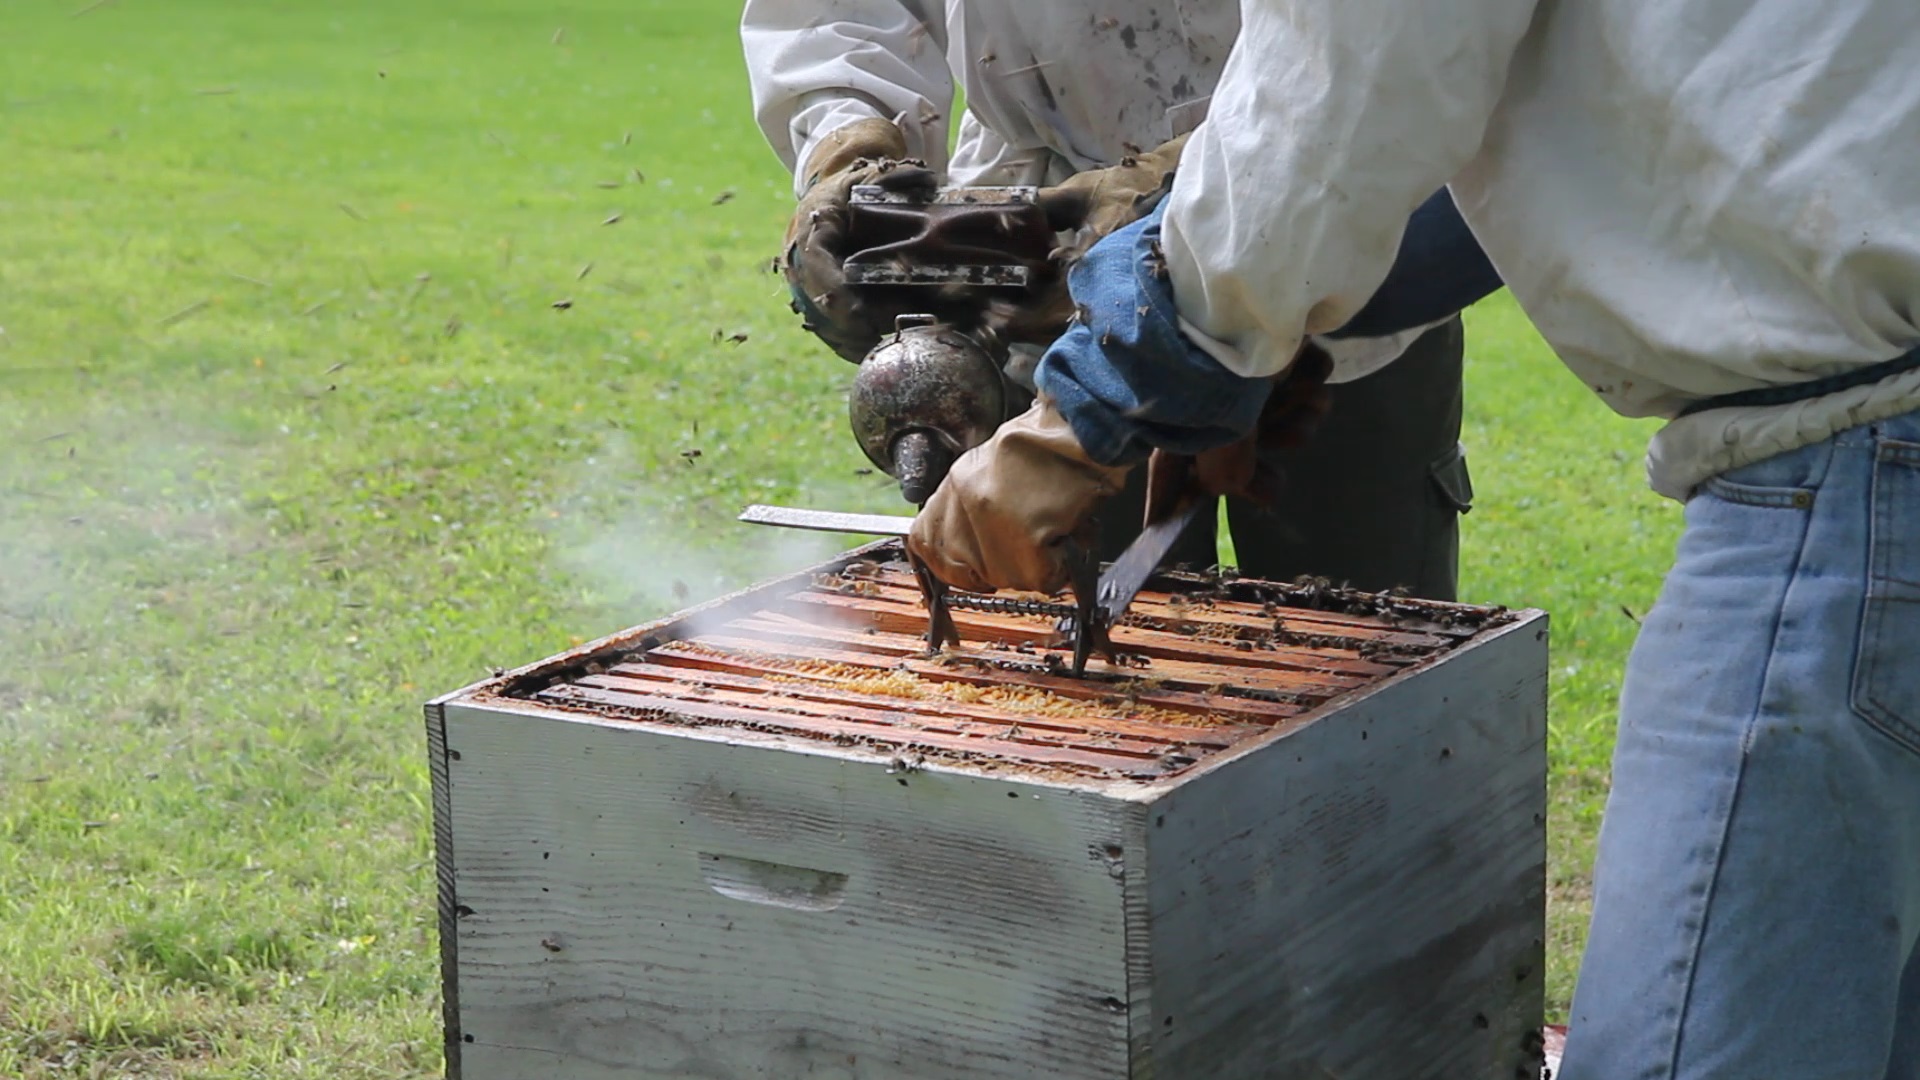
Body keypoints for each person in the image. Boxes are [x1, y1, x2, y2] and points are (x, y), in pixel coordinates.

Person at [908, 0, 1920, 1077]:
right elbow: (1502, 152)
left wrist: (1083, 416)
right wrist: (1280, 341)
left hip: (1848, 484)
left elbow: (1335, 94)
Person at [741, 3, 1476, 600]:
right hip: (1041, 249)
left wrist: (1183, 189)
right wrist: (846, 142)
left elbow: (1385, 57)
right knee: (1061, 639)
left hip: (1352, 225)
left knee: (1365, 638)